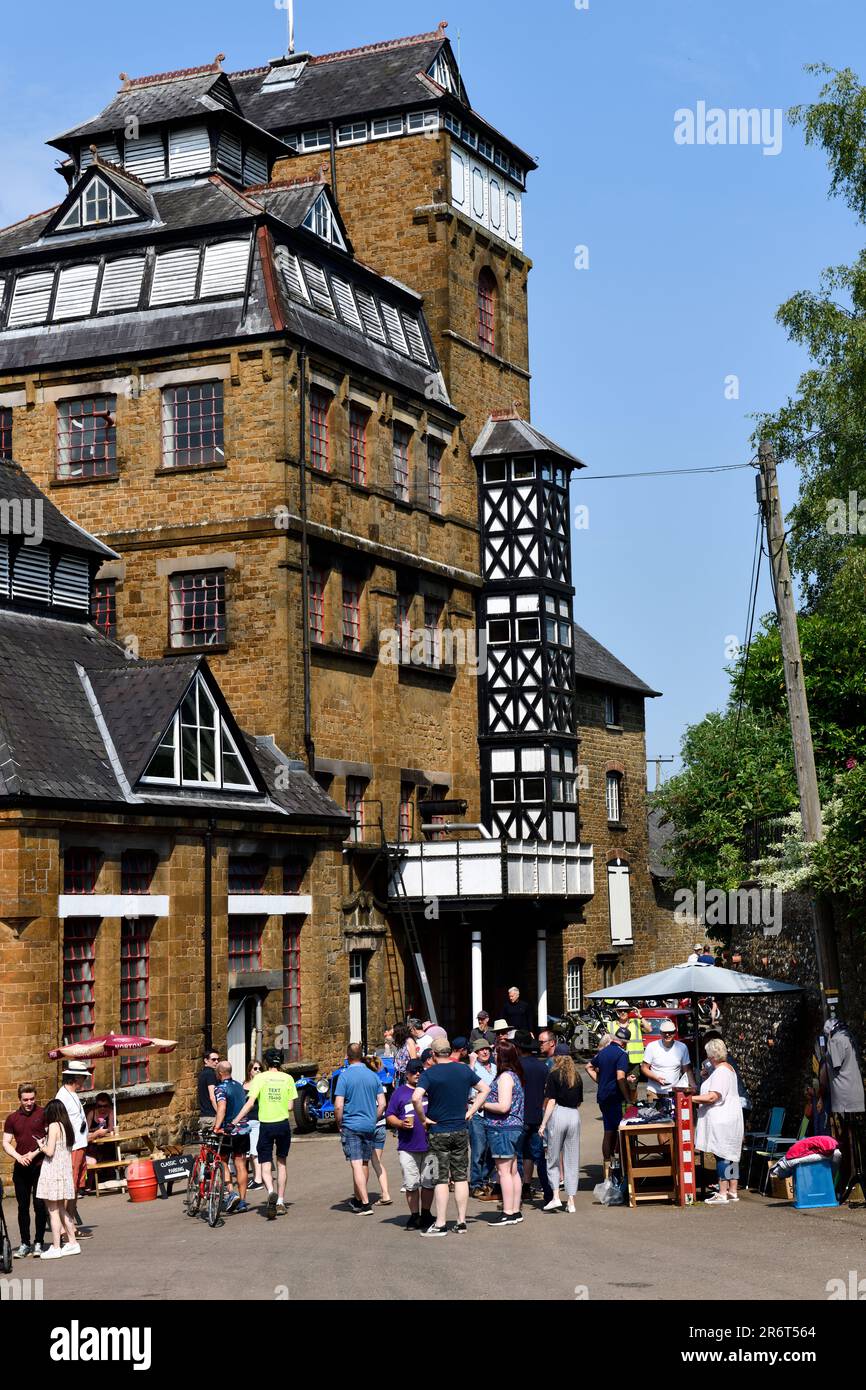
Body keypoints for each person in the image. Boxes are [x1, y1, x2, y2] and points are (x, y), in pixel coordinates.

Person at [412, 1036, 490, 1236]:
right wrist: (471, 1111)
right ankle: (462, 1221)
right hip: (460, 1128)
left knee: (440, 1178)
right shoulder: (463, 1069)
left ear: (434, 1054)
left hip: (438, 1130)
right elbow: (485, 1089)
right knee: (461, 1176)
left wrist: (423, 1118)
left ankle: (440, 1223)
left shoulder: (430, 1074)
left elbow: (415, 1097)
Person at [231, 1047, 297, 1219]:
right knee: (281, 1162)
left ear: (266, 1062)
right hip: (283, 1124)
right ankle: (281, 1201)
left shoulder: (260, 1078)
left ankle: (270, 1192)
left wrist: (235, 1120)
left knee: (265, 1162)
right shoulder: (288, 1078)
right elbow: (290, 1106)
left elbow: (250, 1103)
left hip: (266, 1125)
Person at [333, 1043, 385, 1215]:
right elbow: (383, 1103)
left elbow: (339, 1106)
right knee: (364, 1162)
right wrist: (373, 1117)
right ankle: (358, 1198)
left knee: (355, 1163)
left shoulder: (344, 1076)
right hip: (369, 1125)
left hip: (351, 1124)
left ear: (347, 1057)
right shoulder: (373, 1076)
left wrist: (339, 1123)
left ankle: (364, 1203)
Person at [691, 1039, 744, 1203]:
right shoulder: (728, 1069)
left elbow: (713, 1096)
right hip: (732, 1116)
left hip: (722, 1117)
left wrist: (689, 1098)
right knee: (732, 1154)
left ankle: (722, 1192)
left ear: (712, 1055)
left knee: (722, 1155)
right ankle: (732, 1190)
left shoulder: (721, 1071)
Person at [385, 1057, 436, 1229]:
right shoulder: (399, 1093)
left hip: (431, 1145)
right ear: (407, 1074)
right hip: (407, 1146)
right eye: (413, 1072)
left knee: (429, 1182)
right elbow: (390, 1115)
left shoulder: (430, 1090)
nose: (417, 1074)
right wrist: (399, 1123)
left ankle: (427, 1213)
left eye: (420, 1071)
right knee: (411, 1183)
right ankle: (414, 1215)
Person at [481, 1039, 526, 1226]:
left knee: (504, 1172)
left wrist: (483, 1104)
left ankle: (508, 1211)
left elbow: (503, 1106)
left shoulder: (506, 1077)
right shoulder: (513, 1075)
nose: (493, 1055)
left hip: (503, 1128)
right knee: (513, 1171)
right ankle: (514, 1211)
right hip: (512, 1127)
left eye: (496, 1053)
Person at [3, 1082, 47, 1258]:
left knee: (39, 1205)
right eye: (25, 1099)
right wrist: (19, 1157)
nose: (29, 1102)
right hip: (21, 1169)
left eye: (32, 1099)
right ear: (19, 1099)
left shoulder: (43, 1113)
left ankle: (38, 1242)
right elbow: (6, 1142)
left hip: (39, 1166)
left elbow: (49, 1137)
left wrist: (34, 1153)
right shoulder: (12, 1118)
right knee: (22, 1207)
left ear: (35, 1097)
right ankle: (24, 1243)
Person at [34, 1100, 79, 1259]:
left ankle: (56, 1246)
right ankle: (72, 1242)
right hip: (64, 1171)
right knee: (61, 1209)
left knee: (53, 1211)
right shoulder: (67, 1126)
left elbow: (50, 1151)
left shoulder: (54, 1126)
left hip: (52, 1171)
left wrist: (41, 1145)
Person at [539, 1054, 583, 1213]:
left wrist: (543, 1123)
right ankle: (571, 1201)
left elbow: (551, 1101)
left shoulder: (553, 1075)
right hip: (574, 1115)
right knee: (572, 1158)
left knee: (553, 1157)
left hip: (559, 1114)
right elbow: (578, 1102)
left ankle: (556, 1196)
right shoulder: (576, 1077)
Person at [516, 1033, 553, 1207]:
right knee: (537, 1156)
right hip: (538, 1115)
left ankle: (516, 1194)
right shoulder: (542, 1067)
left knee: (515, 1156)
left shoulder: (516, 1067)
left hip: (520, 1116)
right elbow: (547, 1092)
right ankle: (547, 1192)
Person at [55, 1062, 91, 1233]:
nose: (84, 1080)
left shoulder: (73, 1094)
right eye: (83, 1077)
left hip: (81, 1145)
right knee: (69, 1187)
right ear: (76, 1077)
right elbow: (58, 1125)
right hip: (72, 1147)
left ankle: (71, 1225)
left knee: (76, 1186)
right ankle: (65, 1227)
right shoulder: (61, 1097)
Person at [586, 1030, 630, 1166]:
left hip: (603, 1096)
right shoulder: (622, 1054)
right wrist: (627, 1097)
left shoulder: (603, 1052)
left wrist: (600, 1081)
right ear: (624, 1043)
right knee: (618, 1131)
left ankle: (608, 1164)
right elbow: (620, 1077)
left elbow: (589, 1067)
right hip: (614, 1096)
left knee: (608, 1130)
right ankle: (620, 1166)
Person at [213, 1061, 251, 1213]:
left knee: (222, 1161)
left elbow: (221, 1108)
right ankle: (242, 1200)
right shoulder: (238, 1086)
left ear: (220, 1073)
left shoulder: (220, 1088)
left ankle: (231, 1193)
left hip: (228, 1132)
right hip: (243, 1130)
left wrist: (216, 1126)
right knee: (240, 1165)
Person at [469, 1039, 498, 1199]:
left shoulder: (495, 1068)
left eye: (486, 1049)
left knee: (492, 1151)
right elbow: (468, 1092)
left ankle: (486, 1179)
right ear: (476, 1053)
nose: (484, 1052)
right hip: (478, 1115)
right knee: (478, 1150)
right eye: (481, 1050)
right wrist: (472, 1064)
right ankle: (475, 1184)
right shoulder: (472, 1069)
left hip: (494, 1113)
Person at [364, 1055, 393, 1206]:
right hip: (380, 1124)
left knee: (362, 1163)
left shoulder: (365, 1083)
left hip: (367, 1125)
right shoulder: (379, 1082)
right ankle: (386, 1193)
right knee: (376, 1161)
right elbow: (383, 1104)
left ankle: (361, 1197)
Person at [641, 1020, 696, 1097]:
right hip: (653, 1091)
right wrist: (656, 1078)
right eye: (665, 1032)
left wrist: (693, 1086)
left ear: (675, 1032)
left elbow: (687, 1070)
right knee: (651, 1109)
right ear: (660, 1032)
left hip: (674, 1091)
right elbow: (644, 1068)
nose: (667, 1034)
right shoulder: (651, 1046)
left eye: (670, 1032)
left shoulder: (682, 1047)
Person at [604, 1002, 649, 1078]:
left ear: (629, 1012)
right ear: (617, 1012)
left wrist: (640, 1016)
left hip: (634, 1062)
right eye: (620, 1011)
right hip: (617, 1061)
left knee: (632, 1087)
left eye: (625, 1010)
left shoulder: (636, 1022)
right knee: (619, 1085)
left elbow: (649, 1029)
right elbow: (606, 1044)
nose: (623, 1012)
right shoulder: (610, 1025)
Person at [244, 1059, 264, 1190]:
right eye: (255, 1069)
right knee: (249, 1152)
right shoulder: (244, 1085)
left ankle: (258, 1180)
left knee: (255, 1151)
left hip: (257, 1120)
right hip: (245, 1121)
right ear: (250, 1070)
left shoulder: (262, 1084)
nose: (258, 1071)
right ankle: (255, 1177)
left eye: (259, 1069)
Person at [197, 1048, 220, 1130]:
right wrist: (220, 1113)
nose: (216, 1062)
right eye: (213, 1059)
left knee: (205, 1142)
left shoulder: (202, 1073)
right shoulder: (210, 1074)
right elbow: (212, 1096)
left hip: (204, 1117)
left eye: (218, 1059)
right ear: (206, 1060)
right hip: (212, 1117)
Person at [392, 1022, 419, 1087]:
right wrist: (394, 1078)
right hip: (399, 1074)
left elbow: (413, 1060)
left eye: (394, 1031)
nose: (393, 1034)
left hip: (406, 1075)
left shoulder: (409, 1041)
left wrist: (411, 1077)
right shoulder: (401, 1042)